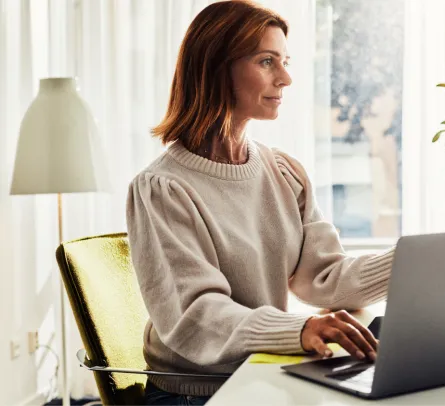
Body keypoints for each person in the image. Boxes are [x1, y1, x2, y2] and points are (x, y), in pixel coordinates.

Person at [126, 0, 395, 403]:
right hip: (197, 393)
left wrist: (409, 262)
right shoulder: (162, 188)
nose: (285, 78)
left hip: (265, 373)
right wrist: (298, 331)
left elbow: (323, 278)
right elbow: (196, 315)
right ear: (217, 68)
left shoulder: (284, 172)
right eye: (267, 62)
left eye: (285, 61)